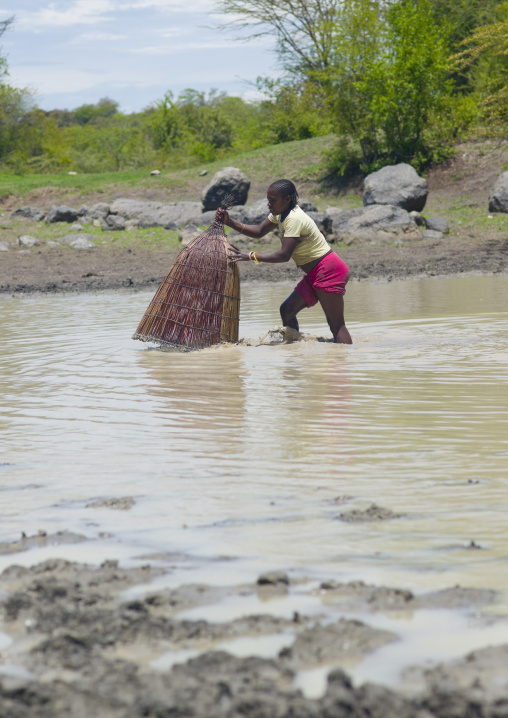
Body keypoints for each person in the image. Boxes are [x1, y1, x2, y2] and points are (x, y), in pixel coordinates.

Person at [216, 179, 352, 344]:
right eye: (268, 199)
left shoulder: (294, 219)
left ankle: (344, 363)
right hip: (316, 272)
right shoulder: (279, 213)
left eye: (273, 200)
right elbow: (259, 231)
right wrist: (229, 222)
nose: (268, 204)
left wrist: (251, 255)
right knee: (287, 310)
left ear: (287, 199)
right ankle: (293, 354)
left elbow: (284, 255)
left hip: (329, 270)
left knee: (336, 325)